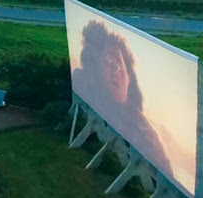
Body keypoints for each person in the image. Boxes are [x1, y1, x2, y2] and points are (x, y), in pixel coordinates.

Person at [71, 20, 174, 179]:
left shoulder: (149, 138)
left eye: (117, 63)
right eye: (107, 62)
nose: (114, 70)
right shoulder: (85, 86)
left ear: (129, 76)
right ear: (95, 70)